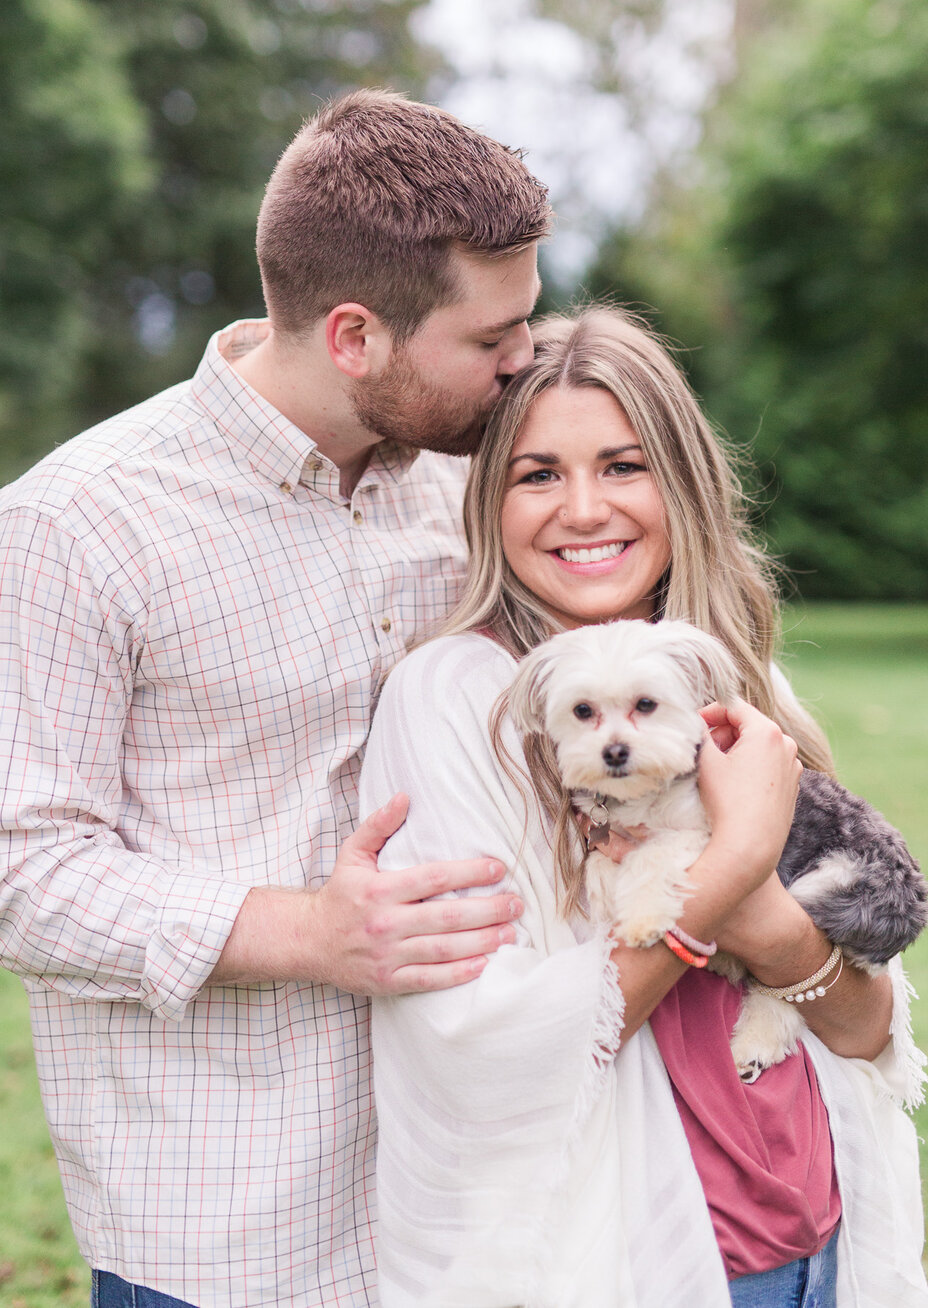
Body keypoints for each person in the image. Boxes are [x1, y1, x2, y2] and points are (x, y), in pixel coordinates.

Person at [0, 89, 553, 1308]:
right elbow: (22, 870)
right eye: (491, 338)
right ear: (355, 335)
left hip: (470, 1192)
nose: (524, 360)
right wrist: (314, 932)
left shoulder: (463, 487)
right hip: (230, 1227)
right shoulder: (75, 524)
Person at [359, 307, 928, 1307]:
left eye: (623, 466)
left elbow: (869, 1025)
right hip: (646, 1253)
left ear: (681, 485)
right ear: (489, 499)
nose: (583, 509)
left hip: (817, 1223)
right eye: (539, 474)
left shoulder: (735, 689)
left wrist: (770, 922)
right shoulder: (461, 699)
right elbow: (479, 1053)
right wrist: (732, 867)